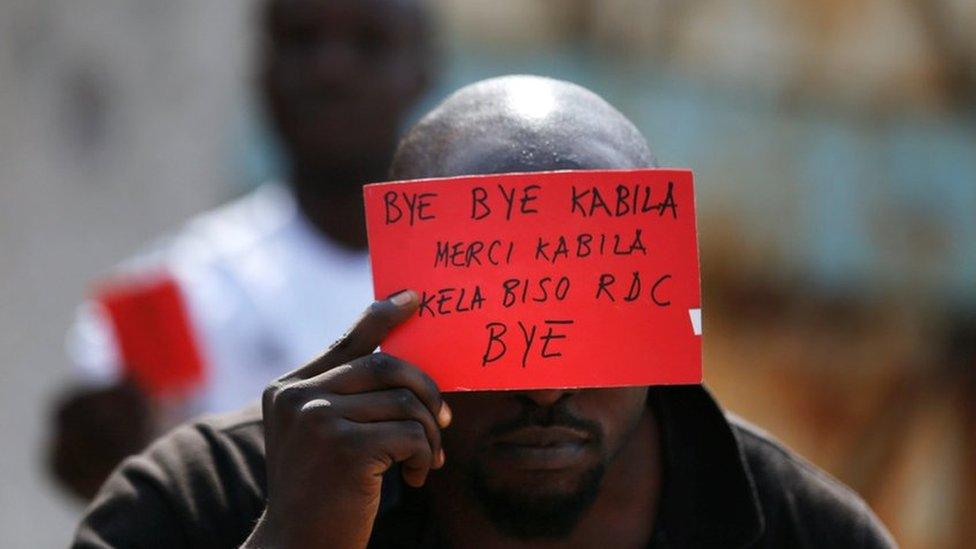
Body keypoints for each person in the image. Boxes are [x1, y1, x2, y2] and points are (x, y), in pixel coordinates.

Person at [73, 76, 895, 548]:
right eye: (491, 325)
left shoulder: (805, 533)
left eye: (587, 311)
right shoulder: (201, 502)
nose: (544, 388)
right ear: (391, 304)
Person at [49, 0, 436, 500]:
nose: (330, 70)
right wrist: (106, 454)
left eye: (370, 42)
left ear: (424, 69)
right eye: (301, 40)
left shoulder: (474, 279)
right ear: (260, 69)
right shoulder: (181, 286)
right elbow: (114, 480)